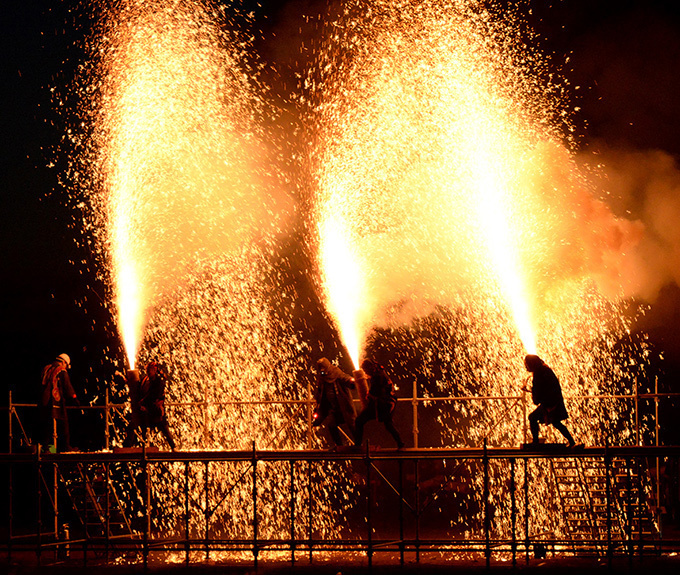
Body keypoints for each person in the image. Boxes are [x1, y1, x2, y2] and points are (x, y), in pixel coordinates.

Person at [523, 354, 576, 448]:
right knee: (556, 422)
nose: (526, 367)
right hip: (554, 401)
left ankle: (535, 442)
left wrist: (532, 392)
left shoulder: (539, 373)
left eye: (527, 364)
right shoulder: (544, 369)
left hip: (550, 404)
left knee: (532, 417)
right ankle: (572, 442)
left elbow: (538, 394)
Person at [124, 360, 176, 450]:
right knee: (134, 424)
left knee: (163, 427)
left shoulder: (159, 381)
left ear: (155, 370)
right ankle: (127, 446)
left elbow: (154, 394)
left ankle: (173, 446)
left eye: (150, 370)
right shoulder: (145, 379)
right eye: (147, 370)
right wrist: (130, 382)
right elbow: (138, 389)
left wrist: (145, 404)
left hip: (154, 410)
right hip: (144, 411)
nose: (148, 372)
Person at [354, 358, 404, 449]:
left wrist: (368, 396)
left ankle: (357, 445)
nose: (365, 372)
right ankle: (400, 443)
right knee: (388, 424)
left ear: (369, 368)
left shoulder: (377, 376)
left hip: (382, 405)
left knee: (359, 421)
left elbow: (375, 393)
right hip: (388, 403)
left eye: (365, 370)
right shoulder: (379, 372)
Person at [39, 353, 80, 452]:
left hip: (43, 402)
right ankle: (65, 447)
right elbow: (67, 386)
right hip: (56, 402)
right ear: (63, 362)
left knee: (47, 426)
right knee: (63, 425)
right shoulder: (61, 370)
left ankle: (47, 449)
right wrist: (74, 398)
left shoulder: (47, 368)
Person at [312, 357, 356, 448]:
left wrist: (352, 382)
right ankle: (339, 445)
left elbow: (345, 378)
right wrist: (317, 408)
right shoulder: (322, 378)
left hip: (343, 406)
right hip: (333, 408)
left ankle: (358, 444)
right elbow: (320, 393)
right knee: (331, 424)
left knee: (352, 424)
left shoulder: (336, 373)